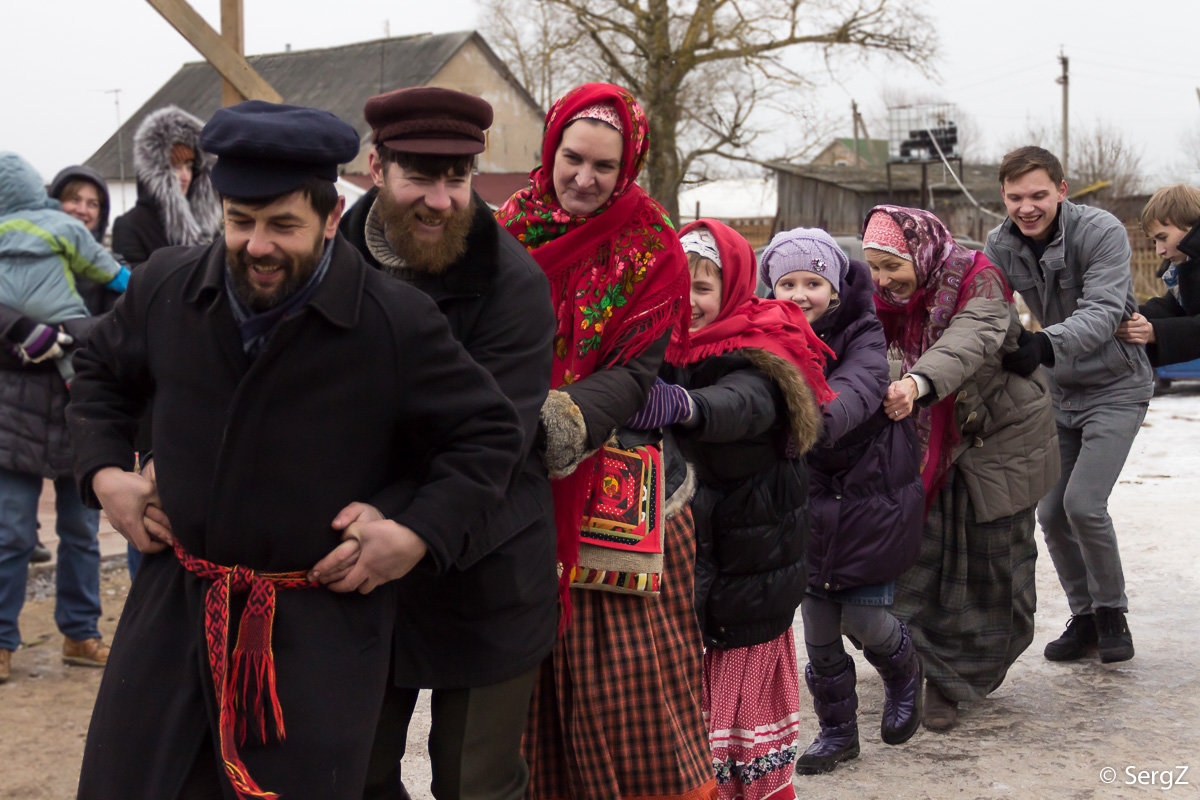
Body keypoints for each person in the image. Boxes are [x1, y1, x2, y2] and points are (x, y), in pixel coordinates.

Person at [66, 100, 524, 800]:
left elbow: (487, 436)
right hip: (171, 619)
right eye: (240, 222)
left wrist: (415, 532)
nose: (257, 245)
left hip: (314, 639)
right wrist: (104, 472)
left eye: (283, 225)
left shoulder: (393, 323)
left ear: (331, 217)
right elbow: (98, 371)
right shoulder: (167, 286)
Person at [332, 86, 557, 800]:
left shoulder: (514, 285)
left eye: (456, 177)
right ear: (376, 168)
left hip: (484, 559)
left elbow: (490, 441)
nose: (440, 198)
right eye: (419, 175)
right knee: (353, 773)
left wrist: (411, 526)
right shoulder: (328, 268)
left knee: (474, 782)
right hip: (360, 560)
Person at [495, 83, 710, 800]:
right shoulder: (502, 232)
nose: (584, 179)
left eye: (605, 167)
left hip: (610, 477)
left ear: (630, 169)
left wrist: (557, 420)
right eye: (572, 158)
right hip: (508, 475)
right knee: (519, 689)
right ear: (551, 148)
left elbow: (634, 371)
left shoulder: (654, 250)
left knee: (626, 691)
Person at [627, 219, 828, 798]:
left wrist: (684, 404)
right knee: (690, 742)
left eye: (703, 287)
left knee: (741, 744)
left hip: (748, 586)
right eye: (676, 284)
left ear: (735, 286)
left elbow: (742, 405)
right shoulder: (656, 349)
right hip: (691, 581)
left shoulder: (765, 350)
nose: (688, 301)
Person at [867, 205, 1058, 731]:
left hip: (998, 441)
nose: (883, 281)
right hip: (926, 445)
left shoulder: (980, 281)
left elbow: (967, 342)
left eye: (892, 266)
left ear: (920, 252)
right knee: (912, 561)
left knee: (989, 571)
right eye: (873, 268)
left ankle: (957, 680)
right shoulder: (883, 302)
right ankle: (920, 669)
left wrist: (916, 384)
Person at [760, 227, 924, 771]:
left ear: (833, 286)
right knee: (820, 634)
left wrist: (802, 421)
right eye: (787, 283)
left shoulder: (863, 332)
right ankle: (837, 734)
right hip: (806, 501)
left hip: (869, 497)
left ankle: (904, 669)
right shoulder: (762, 337)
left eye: (813, 281)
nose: (800, 294)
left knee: (864, 620)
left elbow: (855, 391)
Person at [985, 146, 1153, 665]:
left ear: (1061, 189)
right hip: (1057, 392)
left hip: (1115, 387)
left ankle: (1111, 613)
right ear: (1004, 197)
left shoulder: (1100, 231)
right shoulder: (998, 244)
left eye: (1039, 194)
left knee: (1083, 503)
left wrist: (1042, 343)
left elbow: (1104, 311)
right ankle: (1083, 618)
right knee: (1051, 511)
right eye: (1015, 197)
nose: (1027, 207)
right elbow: (985, 306)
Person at [0, 153, 130, 684]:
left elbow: (122, 326)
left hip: (80, 412)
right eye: (73, 199)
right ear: (54, 201)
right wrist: (21, 333)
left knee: (81, 532)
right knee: (9, 532)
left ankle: (80, 634)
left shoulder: (103, 269)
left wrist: (72, 333)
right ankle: (2, 642)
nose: (82, 208)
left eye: (92, 202)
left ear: (99, 214)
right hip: (14, 412)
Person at [112, 104, 221, 267]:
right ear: (156, 171)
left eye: (189, 166)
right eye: (175, 167)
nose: (185, 176)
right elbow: (135, 286)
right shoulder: (131, 226)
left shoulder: (208, 225)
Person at [1116, 184, 1200, 366]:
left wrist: (1154, 332)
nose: (1159, 250)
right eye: (1155, 241)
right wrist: (1124, 315)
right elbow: (1173, 307)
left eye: (1163, 238)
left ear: (1192, 227)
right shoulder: (1187, 267)